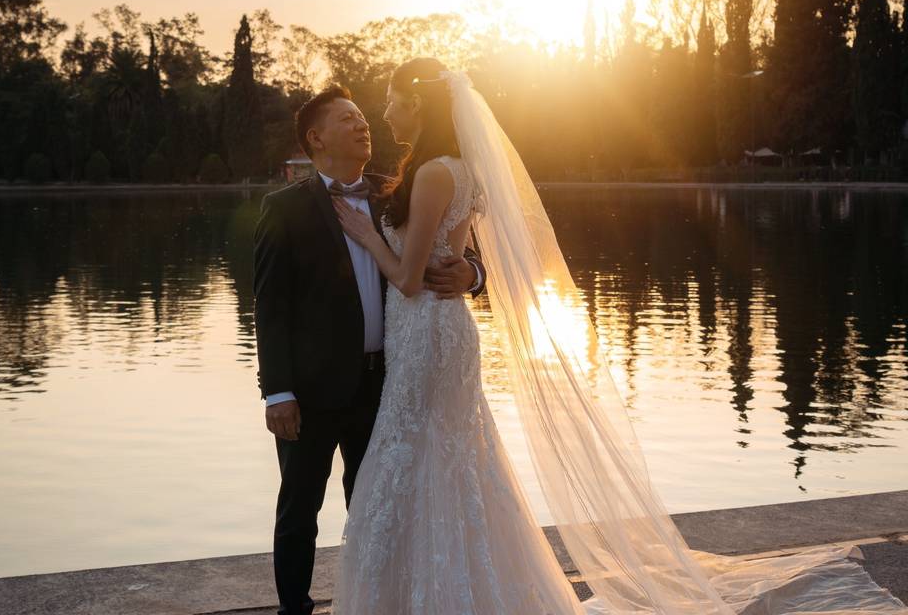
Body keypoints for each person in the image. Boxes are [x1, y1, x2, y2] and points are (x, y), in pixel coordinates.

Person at [330, 57, 908, 614]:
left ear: (417, 101)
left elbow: (407, 278)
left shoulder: (435, 172)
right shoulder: (454, 170)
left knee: (423, 453)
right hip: (436, 334)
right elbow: (460, 255)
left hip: (428, 332)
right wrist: (472, 272)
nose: (384, 113)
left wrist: (366, 233)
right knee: (452, 457)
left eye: (390, 101)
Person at [252, 85, 486, 615]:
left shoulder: (395, 191)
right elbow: (271, 308)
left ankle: (378, 601)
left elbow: (459, 248)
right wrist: (277, 392)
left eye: (364, 117)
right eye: (349, 119)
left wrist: (473, 275)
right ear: (316, 137)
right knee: (299, 509)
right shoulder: (283, 209)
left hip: (389, 381)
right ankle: (295, 610)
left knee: (379, 502)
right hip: (311, 390)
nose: (364, 126)